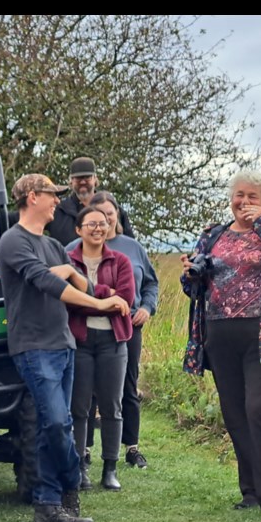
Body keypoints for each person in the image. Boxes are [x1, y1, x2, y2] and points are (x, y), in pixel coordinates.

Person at [0, 173, 130, 522]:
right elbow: (50, 285)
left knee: (51, 427)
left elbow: (77, 280)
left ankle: (48, 509)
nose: (58, 200)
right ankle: (72, 480)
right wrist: (100, 304)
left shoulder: (54, 245)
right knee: (56, 423)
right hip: (34, 347)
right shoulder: (13, 241)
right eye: (51, 194)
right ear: (31, 197)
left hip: (64, 344)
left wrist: (76, 276)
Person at [181, 170, 261, 522]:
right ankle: (252, 491)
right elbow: (193, 285)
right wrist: (191, 273)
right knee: (236, 415)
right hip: (220, 336)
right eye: (239, 195)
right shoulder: (213, 235)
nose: (244, 202)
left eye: (252, 197)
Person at [74, 191, 158, 469]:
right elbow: (70, 291)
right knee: (86, 392)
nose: (104, 222)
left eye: (110, 215)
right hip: (85, 331)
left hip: (128, 325)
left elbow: (147, 286)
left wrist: (147, 307)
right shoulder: (73, 249)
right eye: (98, 217)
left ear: (117, 217)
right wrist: (105, 295)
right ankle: (84, 450)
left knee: (127, 387)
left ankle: (131, 447)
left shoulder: (131, 248)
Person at [65, 207, 134, 491]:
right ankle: (80, 467)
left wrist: (89, 294)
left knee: (111, 406)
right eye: (91, 223)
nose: (98, 228)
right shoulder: (68, 260)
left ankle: (110, 468)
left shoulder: (121, 261)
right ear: (78, 229)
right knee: (79, 407)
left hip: (113, 341)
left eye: (103, 223)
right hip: (80, 340)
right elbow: (69, 301)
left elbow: (127, 299)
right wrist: (107, 296)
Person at [46, 156, 134, 246]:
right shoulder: (57, 211)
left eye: (87, 177)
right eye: (78, 178)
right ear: (71, 181)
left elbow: (130, 246)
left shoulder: (113, 211)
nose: (83, 182)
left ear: (95, 179)